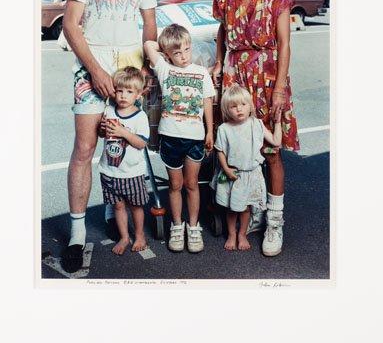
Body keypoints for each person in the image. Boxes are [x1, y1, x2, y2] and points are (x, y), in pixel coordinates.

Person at [61, 0, 157, 273]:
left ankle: (121, 206)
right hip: (92, 64)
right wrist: (95, 70)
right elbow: (71, 26)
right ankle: (76, 231)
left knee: (127, 143)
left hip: (129, 66)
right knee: (85, 147)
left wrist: (147, 71)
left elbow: (150, 28)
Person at [212, 0, 300, 257]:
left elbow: (284, 43)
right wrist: (220, 65)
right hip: (236, 78)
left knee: (271, 151)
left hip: (267, 75)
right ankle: (245, 207)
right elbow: (222, 31)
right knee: (236, 148)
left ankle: (274, 220)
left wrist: (279, 88)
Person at [144, 24, 215, 253]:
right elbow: (148, 45)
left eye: (186, 49)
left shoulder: (201, 72)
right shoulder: (164, 69)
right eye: (177, 53)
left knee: (192, 184)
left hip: (194, 137)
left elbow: (207, 102)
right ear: (167, 55)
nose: (183, 56)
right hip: (170, 137)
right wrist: (165, 49)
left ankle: (193, 227)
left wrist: (210, 131)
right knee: (175, 185)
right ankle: (177, 225)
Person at [211, 84, 282, 251]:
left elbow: (276, 141)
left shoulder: (256, 124)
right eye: (233, 106)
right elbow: (219, 151)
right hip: (234, 174)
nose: (239, 109)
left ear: (250, 105)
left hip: (252, 174)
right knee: (231, 208)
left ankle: (242, 233)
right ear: (227, 110)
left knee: (246, 208)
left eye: (243, 104)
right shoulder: (224, 129)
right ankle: (231, 234)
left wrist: (277, 122)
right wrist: (226, 169)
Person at [98, 67, 150, 255]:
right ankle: (124, 237)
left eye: (129, 92)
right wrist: (103, 129)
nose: (123, 95)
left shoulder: (140, 116)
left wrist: (123, 132)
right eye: (119, 90)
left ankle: (139, 235)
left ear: (137, 95)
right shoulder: (109, 110)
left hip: (132, 172)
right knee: (118, 206)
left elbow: (141, 143)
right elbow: (103, 134)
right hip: (110, 170)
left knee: (136, 207)